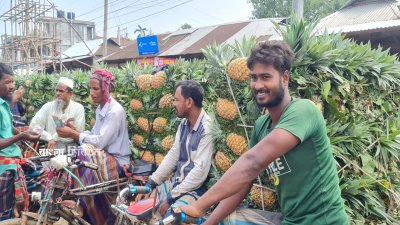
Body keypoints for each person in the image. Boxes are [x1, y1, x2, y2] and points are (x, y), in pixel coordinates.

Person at [181, 41, 348, 225]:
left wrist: (199, 205)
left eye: (266, 77)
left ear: (284, 78)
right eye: (254, 77)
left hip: (324, 222)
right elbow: (244, 183)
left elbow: (252, 162)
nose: (258, 85)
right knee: (226, 219)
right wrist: (209, 223)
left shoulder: (304, 110)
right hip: (290, 221)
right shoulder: (261, 126)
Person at [56, 69, 131, 225]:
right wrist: (75, 131)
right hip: (105, 156)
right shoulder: (100, 109)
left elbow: (100, 142)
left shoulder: (115, 111)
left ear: (106, 88)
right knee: (74, 157)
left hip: (118, 161)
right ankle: (78, 200)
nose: (92, 92)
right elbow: (95, 135)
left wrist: (74, 134)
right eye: (90, 88)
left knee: (83, 151)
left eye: (95, 88)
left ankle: (82, 205)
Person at [143, 80, 213, 218]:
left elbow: (199, 173)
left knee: (171, 217)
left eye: (176, 100)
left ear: (189, 102)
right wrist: (152, 182)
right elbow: (173, 155)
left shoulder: (206, 128)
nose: (173, 103)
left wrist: (170, 199)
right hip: (178, 184)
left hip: (195, 190)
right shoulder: (183, 124)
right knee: (145, 206)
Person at [0, 63, 41, 220]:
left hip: (12, 165)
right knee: (4, 216)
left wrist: (22, 133)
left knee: (43, 176)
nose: (12, 86)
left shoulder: (3, 104)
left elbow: (6, 128)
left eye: (13, 82)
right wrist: (21, 137)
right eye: (7, 82)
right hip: (4, 170)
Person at [29, 77, 85, 151]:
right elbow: (33, 127)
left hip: (71, 150)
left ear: (70, 94)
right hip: (51, 150)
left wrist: (56, 137)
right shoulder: (48, 107)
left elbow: (78, 133)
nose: (57, 93)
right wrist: (49, 137)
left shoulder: (78, 108)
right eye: (56, 90)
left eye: (61, 91)